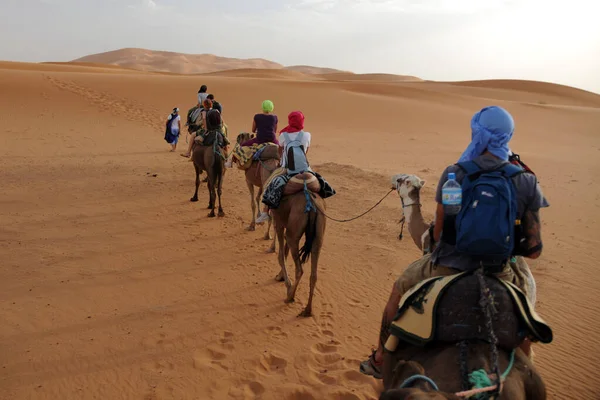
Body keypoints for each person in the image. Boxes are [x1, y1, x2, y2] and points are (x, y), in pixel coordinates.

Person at [359, 106, 549, 379]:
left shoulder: (455, 175)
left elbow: (439, 235)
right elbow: (534, 250)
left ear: (477, 133)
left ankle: (379, 358)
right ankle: (527, 371)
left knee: (398, 290)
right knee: (526, 329)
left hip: (448, 266)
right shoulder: (525, 180)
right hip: (501, 271)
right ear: (508, 136)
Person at [256, 111, 311, 224]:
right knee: (319, 182)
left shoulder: (283, 135)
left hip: (286, 169)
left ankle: (265, 212)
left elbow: (280, 152)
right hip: (304, 169)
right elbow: (306, 152)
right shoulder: (307, 135)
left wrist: (282, 161)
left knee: (268, 185)